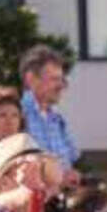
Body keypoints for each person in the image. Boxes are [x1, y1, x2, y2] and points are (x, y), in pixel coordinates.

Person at [19, 44, 80, 187]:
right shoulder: (18, 116)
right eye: (54, 79)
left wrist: (71, 175)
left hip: (58, 202)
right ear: (31, 79)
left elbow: (70, 161)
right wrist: (57, 179)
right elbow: (18, 170)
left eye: (61, 79)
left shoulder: (56, 119)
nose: (61, 86)